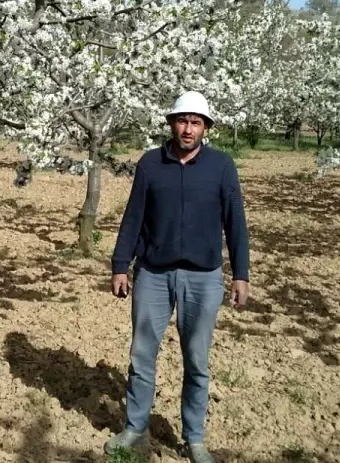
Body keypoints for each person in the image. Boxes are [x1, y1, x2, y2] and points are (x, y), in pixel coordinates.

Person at [105, 91, 251, 463]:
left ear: (205, 128)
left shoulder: (221, 167)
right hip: (153, 273)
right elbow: (134, 216)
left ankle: (194, 438)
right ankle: (136, 427)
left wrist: (241, 273)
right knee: (142, 355)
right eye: (182, 121)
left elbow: (236, 222)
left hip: (203, 278)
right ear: (171, 124)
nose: (188, 129)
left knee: (197, 360)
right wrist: (121, 264)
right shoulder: (151, 165)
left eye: (196, 122)